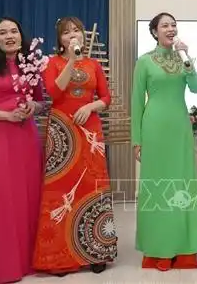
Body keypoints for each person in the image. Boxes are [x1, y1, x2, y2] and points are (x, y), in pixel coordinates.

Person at [33, 17, 116, 275]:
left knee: (92, 186)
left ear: (83, 35)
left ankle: (96, 251)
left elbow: (106, 98)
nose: (73, 35)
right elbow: (54, 92)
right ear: (60, 39)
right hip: (62, 130)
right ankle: (58, 256)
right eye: (67, 32)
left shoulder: (93, 64)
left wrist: (90, 107)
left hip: (89, 129)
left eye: (76, 30)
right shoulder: (52, 63)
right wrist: (71, 60)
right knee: (60, 190)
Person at [0, 17, 45, 283]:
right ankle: (1, 264)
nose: (9, 36)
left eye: (14, 31)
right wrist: (6, 116)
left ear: (21, 36)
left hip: (26, 137)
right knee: (0, 198)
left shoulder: (30, 65)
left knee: (27, 196)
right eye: (3, 32)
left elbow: (40, 101)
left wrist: (32, 107)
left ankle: (27, 260)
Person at [131, 12, 197, 271]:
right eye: (165, 25)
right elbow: (137, 101)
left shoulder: (183, 59)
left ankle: (184, 248)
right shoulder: (144, 61)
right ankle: (158, 248)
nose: (171, 29)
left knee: (182, 185)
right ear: (154, 32)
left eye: (173, 25)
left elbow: (196, 87)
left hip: (179, 128)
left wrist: (187, 59)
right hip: (154, 128)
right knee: (157, 187)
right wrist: (136, 139)